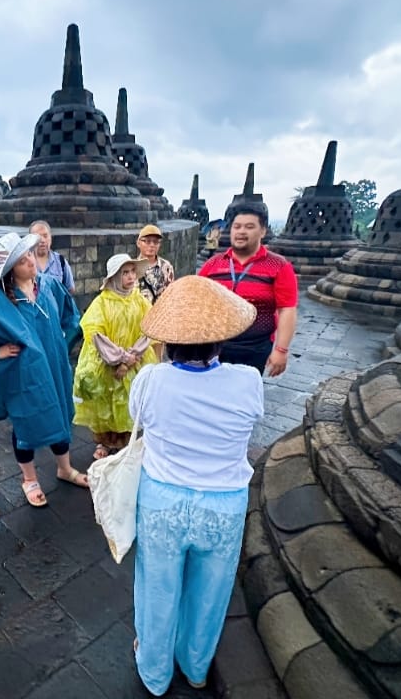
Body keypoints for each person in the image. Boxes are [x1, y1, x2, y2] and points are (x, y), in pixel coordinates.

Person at [129, 275, 263, 696]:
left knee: (157, 587)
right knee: (211, 591)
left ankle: (154, 672)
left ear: (168, 341)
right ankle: (196, 665)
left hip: (163, 500)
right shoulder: (249, 380)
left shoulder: (150, 380)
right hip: (224, 504)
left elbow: (138, 420)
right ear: (221, 337)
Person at [0, 232, 88, 508]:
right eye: (21, 260)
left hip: (54, 367)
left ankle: (64, 468)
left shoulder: (49, 285)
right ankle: (29, 479)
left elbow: (71, 316)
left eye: (29, 254)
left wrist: (62, 343)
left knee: (60, 413)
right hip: (22, 373)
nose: (30, 261)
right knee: (26, 421)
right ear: (10, 270)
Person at [72, 252, 157, 460]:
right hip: (107, 364)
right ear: (114, 277)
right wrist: (119, 358)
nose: (130, 277)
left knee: (128, 403)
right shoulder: (102, 303)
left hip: (135, 362)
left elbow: (149, 329)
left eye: (132, 272)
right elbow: (96, 334)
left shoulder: (140, 301)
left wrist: (130, 359)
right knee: (105, 403)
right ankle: (104, 442)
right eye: (125, 272)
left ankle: (125, 442)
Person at [198, 203, 297, 375]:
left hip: (255, 347)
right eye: (237, 227)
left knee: (246, 390)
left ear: (262, 231)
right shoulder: (213, 264)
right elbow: (195, 300)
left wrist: (281, 350)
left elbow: (287, 309)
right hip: (213, 346)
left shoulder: (278, 265)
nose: (241, 231)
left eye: (249, 227)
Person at [29, 219, 75, 293]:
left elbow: (70, 289)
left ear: (50, 237)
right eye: (38, 237)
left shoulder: (61, 261)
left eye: (45, 236)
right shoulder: (26, 262)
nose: (42, 240)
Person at [135, 224, 175, 304]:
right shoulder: (132, 267)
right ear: (138, 243)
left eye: (156, 242)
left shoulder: (166, 267)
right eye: (147, 241)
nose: (152, 245)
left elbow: (171, 294)